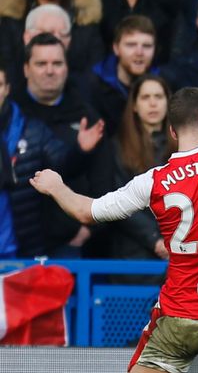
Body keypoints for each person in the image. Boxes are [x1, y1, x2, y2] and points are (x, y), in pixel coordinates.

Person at [29, 86, 198, 373]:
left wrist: (56, 187)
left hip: (180, 317)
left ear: (172, 132)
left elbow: (88, 211)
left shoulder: (151, 181)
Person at [14, 33, 107, 258]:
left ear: (66, 68)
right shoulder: (10, 113)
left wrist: (89, 229)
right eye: (41, 63)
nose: (50, 70)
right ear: (26, 69)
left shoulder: (87, 116)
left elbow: (104, 177)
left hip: (70, 241)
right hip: (14, 241)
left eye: (57, 63)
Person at [0, 61, 76, 258]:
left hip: (21, 245)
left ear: (7, 89)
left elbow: (65, 165)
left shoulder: (33, 130)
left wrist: (82, 151)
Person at [107, 74, 176, 269]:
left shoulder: (184, 144)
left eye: (158, 97)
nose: (153, 103)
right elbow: (117, 197)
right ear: (135, 106)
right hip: (132, 255)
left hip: (178, 252)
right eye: (145, 97)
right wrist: (154, 238)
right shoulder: (117, 147)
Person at [90, 14, 158, 136]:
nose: (139, 52)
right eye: (131, 45)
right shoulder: (94, 85)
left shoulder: (164, 84)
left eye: (147, 46)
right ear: (116, 48)